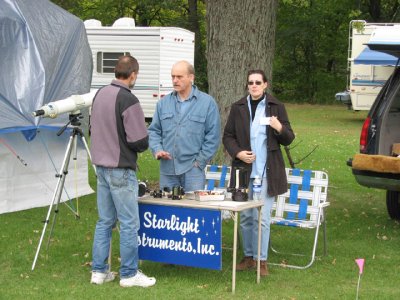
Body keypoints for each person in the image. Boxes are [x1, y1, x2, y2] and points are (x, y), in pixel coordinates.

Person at [90, 55, 156, 288]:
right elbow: (138, 140)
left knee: (104, 221)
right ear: (133, 75)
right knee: (129, 223)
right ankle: (129, 273)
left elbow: (92, 128)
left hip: (101, 167)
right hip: (120, 168)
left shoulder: (99, 93)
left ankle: (99, 271)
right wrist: (147, 137)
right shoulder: (128, 99)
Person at [223, 69, 295, 276]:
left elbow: (288, 138)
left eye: (257, 82)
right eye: (250, 83)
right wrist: (238, 153)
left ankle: (261, 260)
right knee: (245, 216)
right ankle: (248, 257)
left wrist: (279, 127)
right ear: (247, 86)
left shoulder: (276, 107)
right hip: (244, 171)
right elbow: (228, 136)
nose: (253, 86)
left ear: (265, 85)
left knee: (261, 217)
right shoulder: (238, 107)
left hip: (267, 171)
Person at [148, 60, 221, 192]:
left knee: (192, 211)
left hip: (193, 170)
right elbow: (154, 131)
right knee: (167, 210)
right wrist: (157, 149)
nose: (175, 80)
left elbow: (213, 136)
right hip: (168, 169)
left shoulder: (207, 103)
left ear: (191, 77)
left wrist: (199, 162)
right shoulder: (163, 103)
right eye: (173, 76)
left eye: (179, 77)